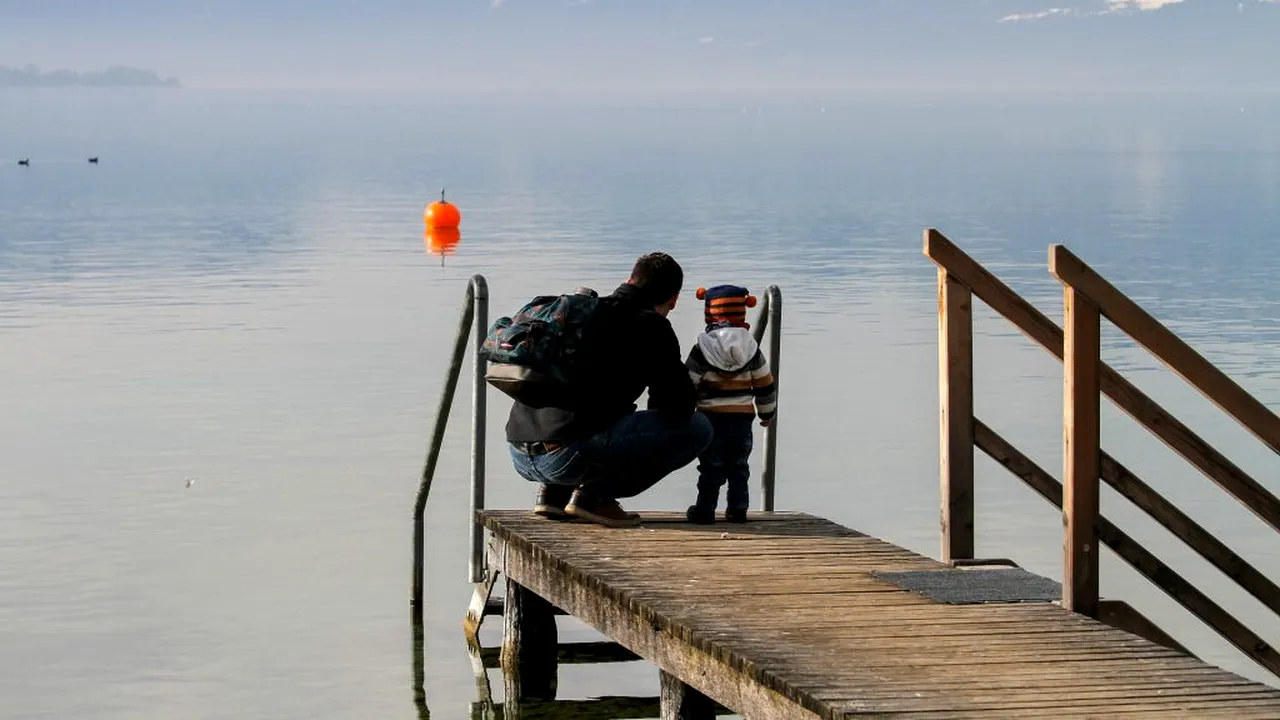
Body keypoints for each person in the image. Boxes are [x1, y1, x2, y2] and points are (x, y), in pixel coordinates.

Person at [505, 252, 714, 528]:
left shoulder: (580, 312)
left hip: (518, 452)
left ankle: (553, 495)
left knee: (589, 419)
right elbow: (676, 409)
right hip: (566, 457)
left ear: (629, 279)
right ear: (673, 299)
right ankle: (594, 497)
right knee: (698, 428)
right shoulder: (652, 327)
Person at [682, 284, 777, 524]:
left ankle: (705, 510)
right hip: (742, 418)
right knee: (739, 466)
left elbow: (687, 383)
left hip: (710, 418)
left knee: (710, 466)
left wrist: (684, 412)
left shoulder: (702, 348)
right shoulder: (752, 348)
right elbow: (765, 384)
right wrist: (767, 413)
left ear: (709, 312)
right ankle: (737, 509)